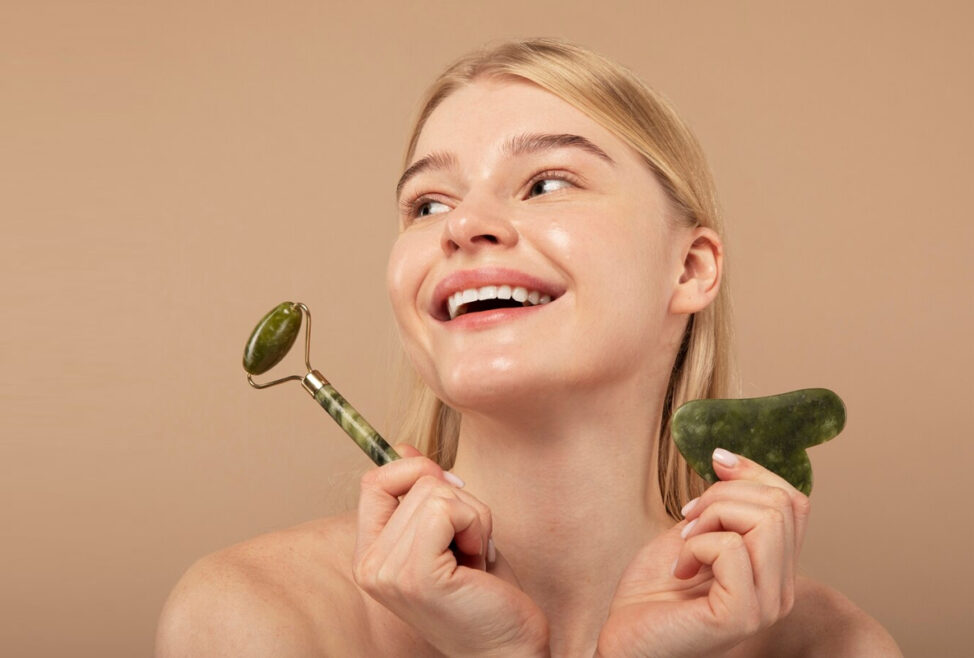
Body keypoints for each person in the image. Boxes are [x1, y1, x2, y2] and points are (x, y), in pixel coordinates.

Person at [156, 38, 902, 657]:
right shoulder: (251, 619)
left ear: (689, 268)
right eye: (428, 203)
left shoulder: (834, 646)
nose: (461, 225)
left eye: (546, 184)